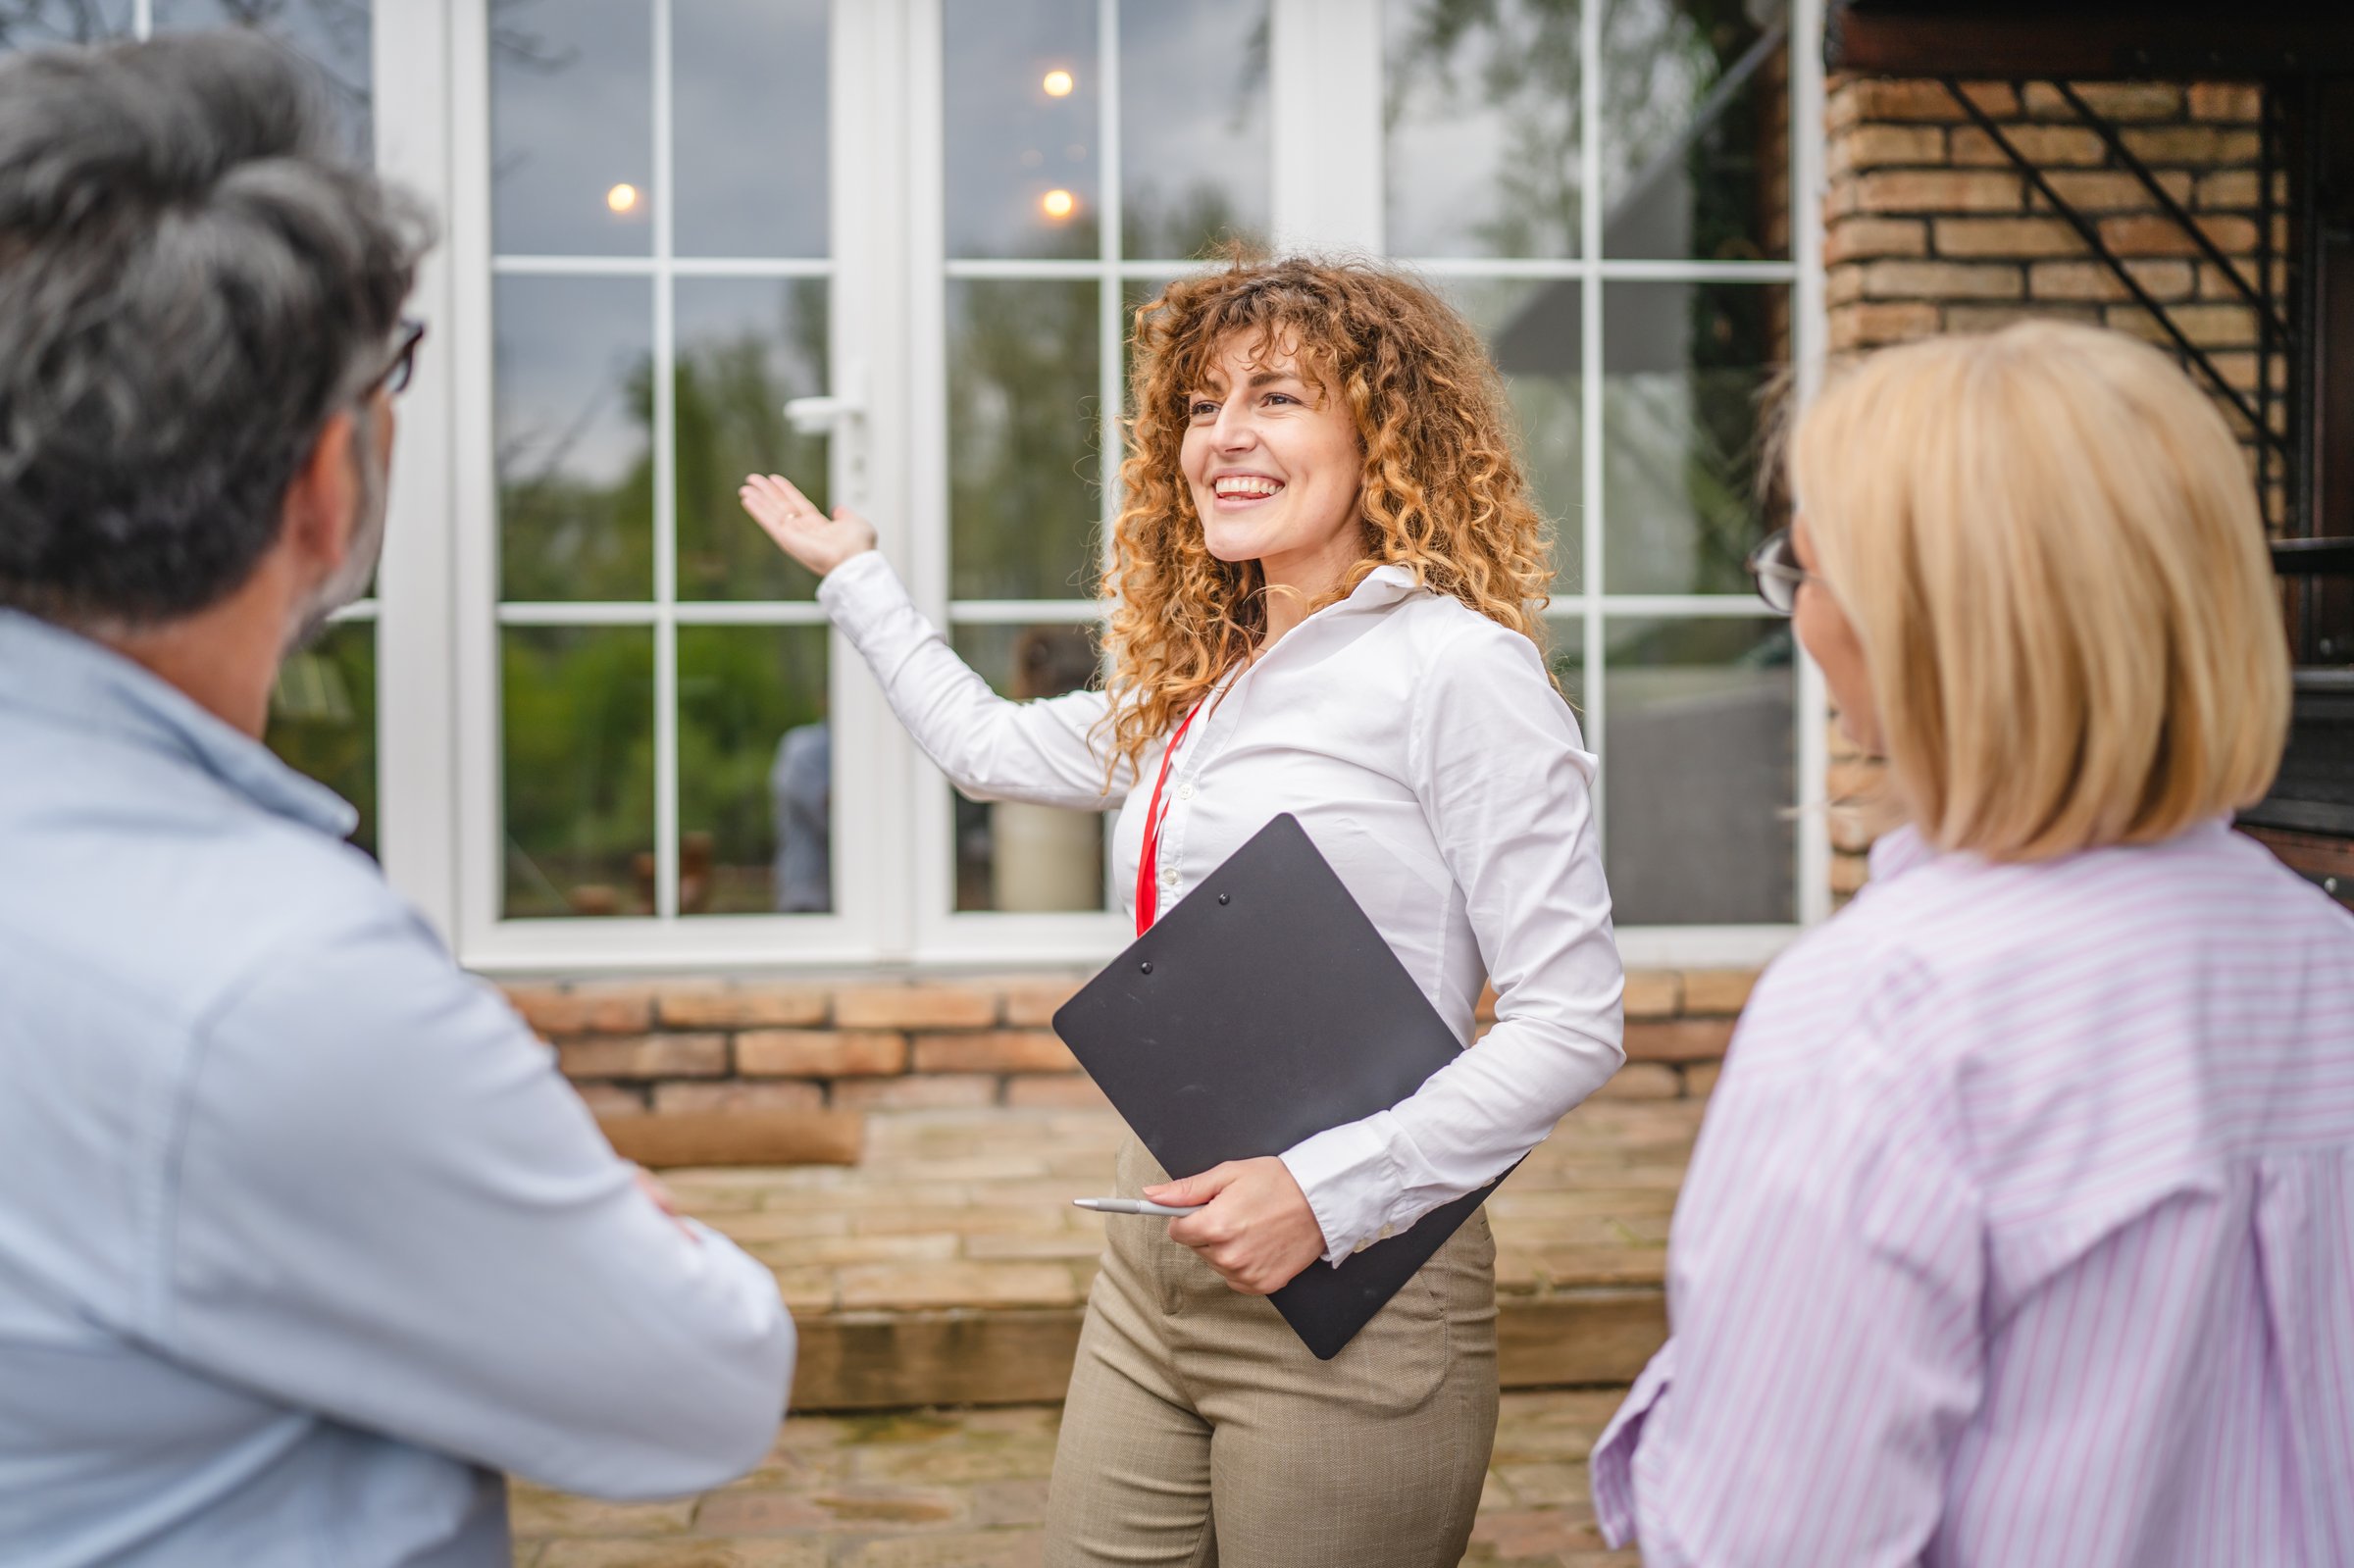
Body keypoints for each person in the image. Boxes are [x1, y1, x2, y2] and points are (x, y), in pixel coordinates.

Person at [0, 34, 794, 1567]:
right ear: (321, 485)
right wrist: (599, 1207)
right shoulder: (276, 982)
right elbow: (701, 1383)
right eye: (395, 373)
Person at [742, 256, 1625, 1567]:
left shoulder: (1459, 671)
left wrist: (1323, 1193)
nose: (1224, 437)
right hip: (1156, 1261)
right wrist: (858, 576)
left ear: (1381, 431)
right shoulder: (1201, 690)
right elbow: (984, 743)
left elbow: (1573, 1022)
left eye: (1276, 396)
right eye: (1204, 405)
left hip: (1357, 1278)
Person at [1592, 322, 2354, 1566]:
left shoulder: (1881, 1016)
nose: (1798, 614)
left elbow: (1776, 1542)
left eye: (1807, 570)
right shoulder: (2324, 961)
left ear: (1926, 630)